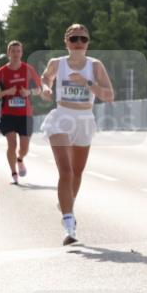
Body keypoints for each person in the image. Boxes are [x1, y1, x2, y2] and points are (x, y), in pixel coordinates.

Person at [39, 24, 115, 244]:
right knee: (66, 171)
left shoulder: (95, 66)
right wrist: (45, 88)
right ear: (66, 42)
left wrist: (88, 83)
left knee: (78, 172)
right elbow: (46, 78)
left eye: (83, 38)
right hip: (62, 117)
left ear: (88, 42)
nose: (79, 42)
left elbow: (109, 95)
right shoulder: (57, 64)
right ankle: (69, 224)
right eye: (74, 39)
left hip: (84, 119)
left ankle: (67, 202)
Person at [0, 40, 41, 184]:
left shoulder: (29, 70)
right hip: (8, 113)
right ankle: (14, 173)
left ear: (22, 53)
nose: (16, 54)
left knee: (24, 147)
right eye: (13, 51)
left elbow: (39, 89)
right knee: (12, 144)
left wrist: (28, 92)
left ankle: (20, 159)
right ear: (8, 53)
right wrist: (6, 92)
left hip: (25, 114)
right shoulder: (1, 72)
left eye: (18, 51)